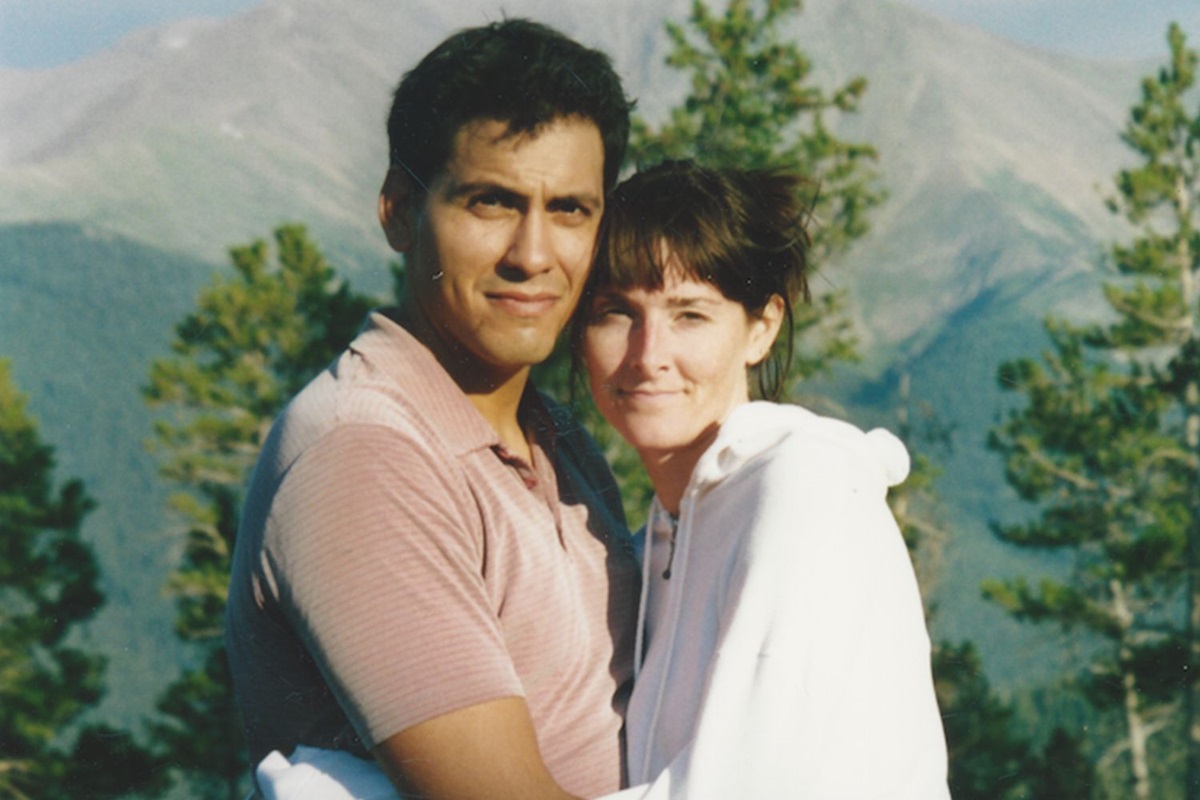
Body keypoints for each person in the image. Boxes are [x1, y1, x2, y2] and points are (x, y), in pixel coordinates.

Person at [224, 18, 640, 800]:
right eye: (491, 202)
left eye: (573, 210)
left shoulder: (554, 434)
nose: (533, 254)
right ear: (398, 211)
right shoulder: (365, 455)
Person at [578, 160, 951, 798]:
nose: (647, 355)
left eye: (689, 315)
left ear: (762, 328)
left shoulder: (802, 488)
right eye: (617, 312)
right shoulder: (659, 541)